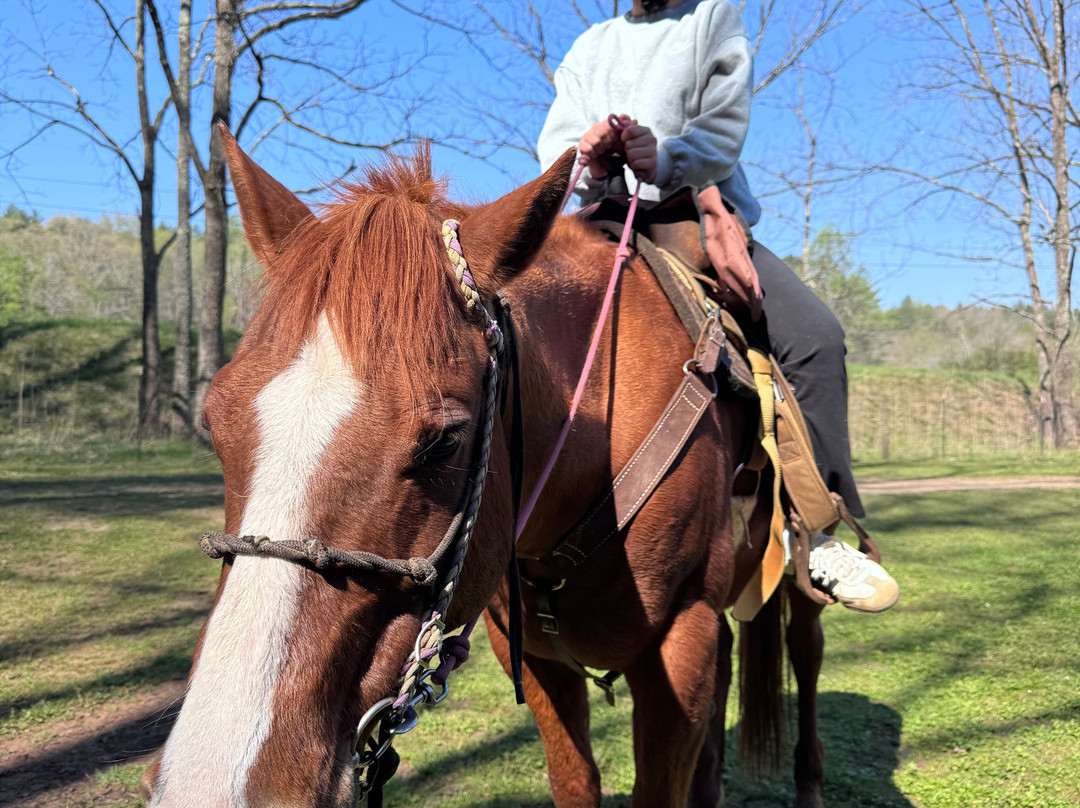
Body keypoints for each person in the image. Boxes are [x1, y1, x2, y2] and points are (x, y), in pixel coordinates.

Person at [537, 0, 898, 612]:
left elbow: (723, 130)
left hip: (690, 223)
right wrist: (583, 154)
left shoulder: (712, 19)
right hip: (601, 221)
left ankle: (817, 532)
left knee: (815, 338)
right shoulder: (589, 46)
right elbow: (556, 144)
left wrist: (668, 156)